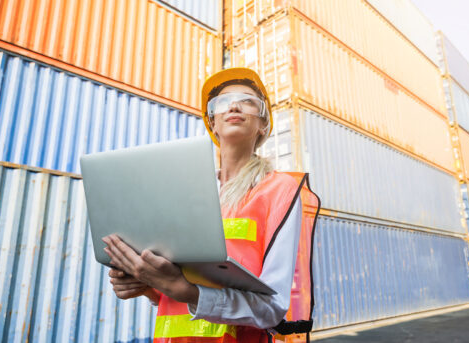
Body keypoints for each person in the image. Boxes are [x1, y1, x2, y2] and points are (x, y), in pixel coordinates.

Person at [102, 68, 320, 343]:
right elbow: (177, 287)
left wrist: (189, 292)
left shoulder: (279, 190)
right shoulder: (186, 192)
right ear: (213, 124)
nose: (234, 105)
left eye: (248, 100)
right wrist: (148, 285)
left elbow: (272, 310)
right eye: (222, 102)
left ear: (262, 125)